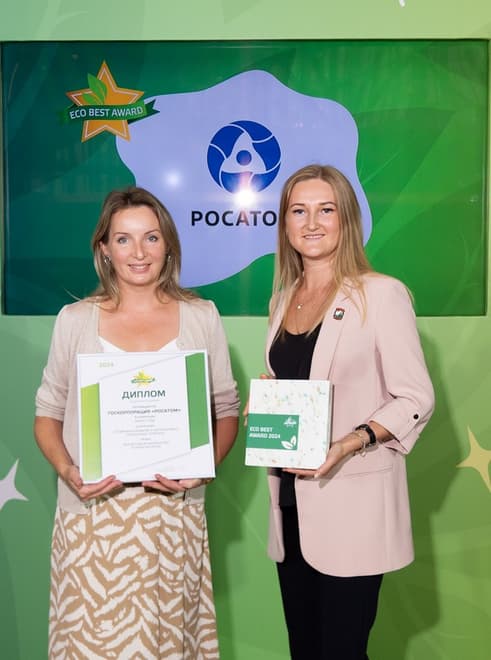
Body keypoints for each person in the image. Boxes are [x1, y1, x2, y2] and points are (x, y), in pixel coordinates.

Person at [34, 186, 239, 659]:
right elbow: (47, 415)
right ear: (104, 248)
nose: (139, 252)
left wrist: (203, 469)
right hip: (92, 521)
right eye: (123, 239)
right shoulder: (75, 319)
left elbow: (226, 411)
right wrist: (69, 471)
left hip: (172, 520)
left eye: (151, 237)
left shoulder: (201, 316)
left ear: (168, 243)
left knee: (169, 646)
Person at [263, 165, 434, 659]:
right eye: (299, 211)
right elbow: (298, 380)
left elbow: (415, 398)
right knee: (304, 650)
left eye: (326, 210)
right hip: (291, 507)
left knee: (342, 651)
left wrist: (349, 442)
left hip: (352, 506)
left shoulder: (380, 294)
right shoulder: (283, 300)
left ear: (347, 219)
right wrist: (269, 396)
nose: (311, 223)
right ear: (285, 223)